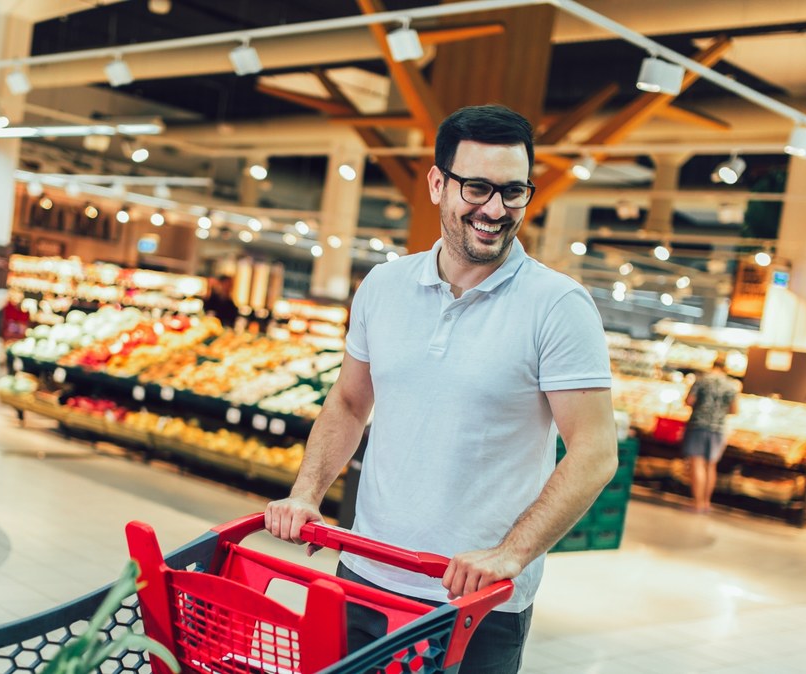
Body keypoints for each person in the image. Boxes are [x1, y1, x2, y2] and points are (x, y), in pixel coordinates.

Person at [264, 104, 618, 673]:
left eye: (513, 192)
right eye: (476, 188)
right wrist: (307, 492)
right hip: (366, 572)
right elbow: (351, 401)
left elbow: (597, 452)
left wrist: (511, 555)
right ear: (436, 183)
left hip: (475, 601)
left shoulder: (558, 306)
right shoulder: (384, 285)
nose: (495, 210)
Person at [681, 355, 741, 514]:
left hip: (699, 426)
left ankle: (697, 503)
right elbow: (734, 410)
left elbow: (689, 401)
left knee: (697, 463)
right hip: (719, 429)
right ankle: (706, 502)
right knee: (711, 465)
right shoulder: (731, 385)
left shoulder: (702, 380)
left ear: (713, 364)